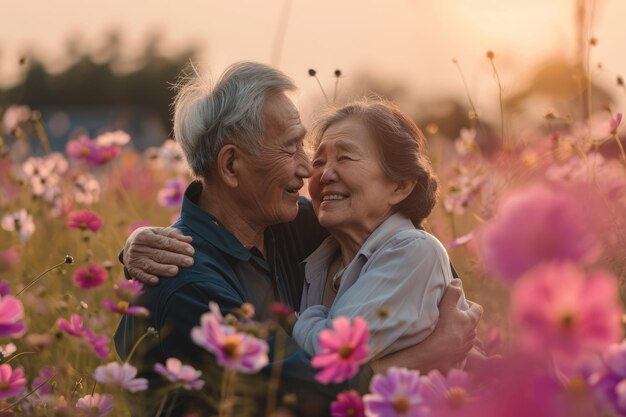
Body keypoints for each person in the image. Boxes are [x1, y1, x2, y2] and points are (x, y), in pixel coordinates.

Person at [116, 61, 481, 417]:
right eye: (291, 148)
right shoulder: (186, 284)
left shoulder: (292, 225)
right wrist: (432, 352)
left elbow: (405, 242)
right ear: (230, 166)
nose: (309, 169)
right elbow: (309, 397)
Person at [292, 99, 470, 361]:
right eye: (318, 162)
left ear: (400, 185)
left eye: (345, 157)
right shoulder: (321, 258)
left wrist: (295, 323)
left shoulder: (414, 251)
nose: (325, 174)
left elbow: (331, 355)